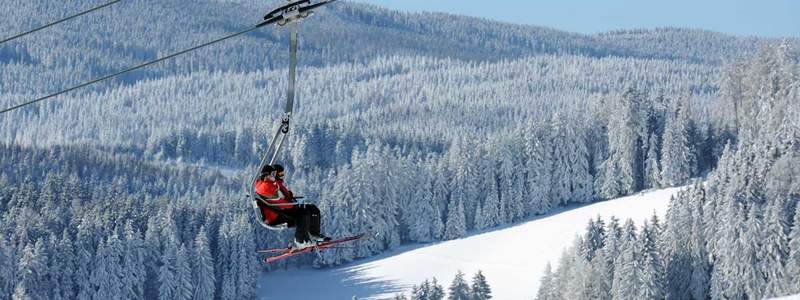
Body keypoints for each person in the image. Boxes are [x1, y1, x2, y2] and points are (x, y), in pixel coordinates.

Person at [254, 164, 330, 249]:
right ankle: (300, 240)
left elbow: (282, 199)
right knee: (303, 213)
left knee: (312, 209)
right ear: (266, 176)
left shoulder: (269, 184)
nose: (273, 176)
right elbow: (281, 202)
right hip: (276, 217)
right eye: (272, 174)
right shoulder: (268, 187)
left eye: (275, 174)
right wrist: (294, 205)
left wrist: (293, 203)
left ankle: (314, 234)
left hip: (279, 211)